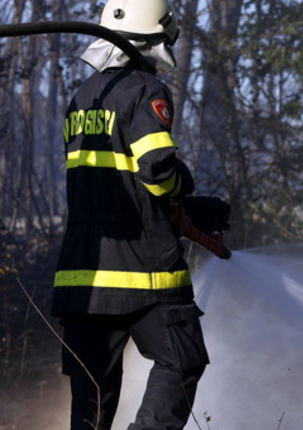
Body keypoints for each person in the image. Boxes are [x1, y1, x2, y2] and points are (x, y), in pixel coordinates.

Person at [51, 1, 208, 429]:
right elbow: (156, 170)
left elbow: (111, 179)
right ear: (156, 36)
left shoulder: (83, 96)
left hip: (83, 274)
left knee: (92, 391)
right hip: (144, 271)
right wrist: (180, 189)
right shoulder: (144, 89)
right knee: (183, 360)